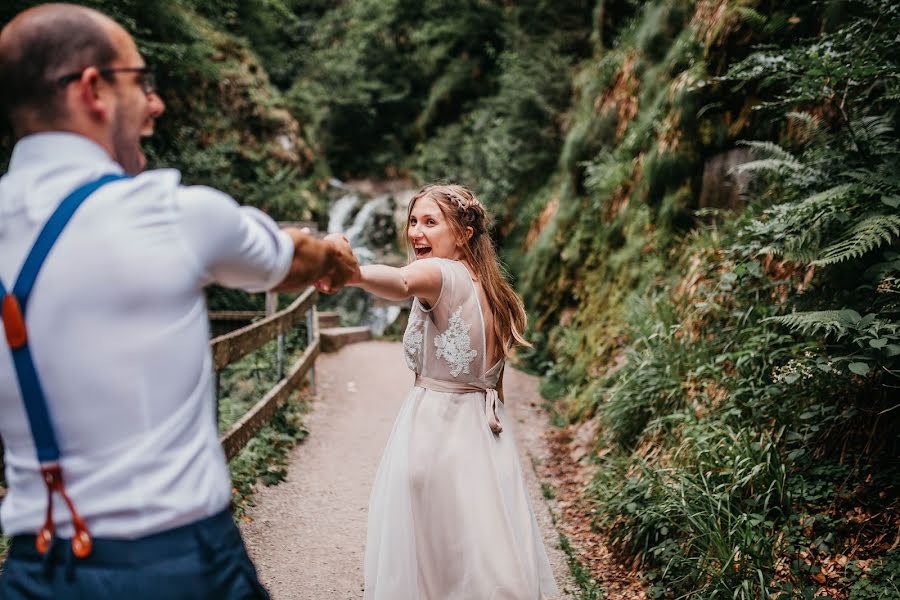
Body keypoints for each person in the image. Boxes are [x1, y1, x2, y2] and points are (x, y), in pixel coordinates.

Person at [0, 4, 358, 599]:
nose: (156, 103)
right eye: (142, 82)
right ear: (93, 90)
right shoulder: (173, 215)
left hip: (35, 572)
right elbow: (295, 259)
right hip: (180, 566)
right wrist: (336, 256)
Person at [346, 184, 559, 599]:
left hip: (435, 433)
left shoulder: (441, 273)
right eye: (413, 221)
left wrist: (350, 274)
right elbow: (494, 380)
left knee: (431, 564)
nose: (415, 233)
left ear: (463, 233)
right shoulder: (490, 287)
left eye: (430, 222)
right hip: (485, 439)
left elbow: (401, 280)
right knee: (483, 558)